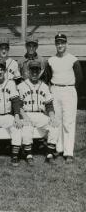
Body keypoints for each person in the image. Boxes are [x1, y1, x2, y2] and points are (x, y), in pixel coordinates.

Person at [46, 34, 83, 163]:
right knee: (57, 120)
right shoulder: (51, 60)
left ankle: (68, 152)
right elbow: (48, 77)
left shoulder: (73, 60)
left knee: (68, 121)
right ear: (55, 45)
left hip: (69, 90)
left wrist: (70, 89)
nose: (60, 45)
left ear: (66, 44)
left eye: (62, 43)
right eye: (58, 43)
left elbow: (79, 79)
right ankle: (59, 148)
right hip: (55, 90)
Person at [18, 60, 58, 166]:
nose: (34, 73)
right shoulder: (21, 86)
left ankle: (49, 155)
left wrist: (52, 117)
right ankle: (29, 155)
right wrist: (24, 116)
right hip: (26, 113)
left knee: (55, 126)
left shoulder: (44, 86)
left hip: (40, 114)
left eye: (37, 70)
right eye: (32, 70)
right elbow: (18, 105)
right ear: (28, 71)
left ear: (40, 72)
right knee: (26, 128)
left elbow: (49, 105)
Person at [0, 59, 23, 168]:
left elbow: (16, 101)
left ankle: (15, 156)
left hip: (7, 115)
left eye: (2, 70)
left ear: (5, 71)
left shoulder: (11, 83)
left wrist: (16, 116)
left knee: (17, 127)